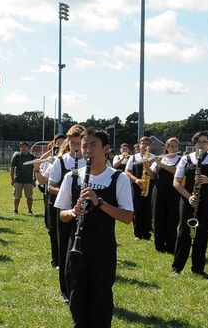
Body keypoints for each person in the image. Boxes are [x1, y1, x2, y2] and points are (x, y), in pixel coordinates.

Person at [56, 128, 133, 328]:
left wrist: (100, 203)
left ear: (106, 149)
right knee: (77, 298)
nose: (88, 150)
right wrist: (73, 212)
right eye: (84, 146)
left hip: (103, 248)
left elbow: (127, 217)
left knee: (101, 299)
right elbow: (61, 215)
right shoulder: (72, 177)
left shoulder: (118, 178)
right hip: (77, 247)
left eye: (93, 145)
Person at [45, 124, 86, 303]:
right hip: (63, 209)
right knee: (64, 248)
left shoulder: (89, 161)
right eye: (73, 142)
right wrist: (66, 189)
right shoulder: (61, 161)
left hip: (84, 211)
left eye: (79, 142)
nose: (76, 146)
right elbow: (50, 186)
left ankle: (82, 285)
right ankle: (65, 289)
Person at [172, 131, 208, 276]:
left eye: (205, 141)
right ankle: (177, 267)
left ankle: (198, 269)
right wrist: (189, 196)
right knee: (183, 233)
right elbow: (176, 182)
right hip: (188, 201)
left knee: (202, 234)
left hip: (207, 202)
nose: (202, 144)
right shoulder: (186, 159)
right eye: (199, 141)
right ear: (194, 144)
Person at [34, 133, 66, 269]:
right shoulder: (51, 159)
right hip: (53, 197)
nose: (60, 146)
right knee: (53, 229)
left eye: (63, 143)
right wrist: (36, 169)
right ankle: (56, 259)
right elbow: (43, 180)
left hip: (70, 199)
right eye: (57, 143)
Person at [151, 137, 181, 253]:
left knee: (172, 218)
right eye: (171, 146)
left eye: (176, 146)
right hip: (159, 192)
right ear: (167, 148)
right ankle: (159, 245)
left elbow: (176, 171)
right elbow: (153, 176)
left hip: (174, 192)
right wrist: (147, 165)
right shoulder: (160, 159)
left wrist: (160, 164)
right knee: (158, 217)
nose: (174, 148)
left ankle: (171, 244)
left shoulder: (181, 159)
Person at [125, 136, 157, 240]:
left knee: (148, 209)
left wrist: (147, 165)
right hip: (136, 185)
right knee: (137, 209)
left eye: (147, 143)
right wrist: (136, 180)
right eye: (143, 143)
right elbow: (127, 172)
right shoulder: (133, 157)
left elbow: (153, 176)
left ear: (150, 146)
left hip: (149, 186)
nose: (145, 145)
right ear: (139, 145)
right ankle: (137, 233)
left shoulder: (153, 158)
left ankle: (147, 233)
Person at [10, 142, 36, 215]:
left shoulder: (32, 156)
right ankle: (15, 210)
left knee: (29, 197)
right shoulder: (17, 156)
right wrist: (12, 179)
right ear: (20, 148)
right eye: (21, 147)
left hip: (28, 180)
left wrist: (35, 179)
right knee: (17, 197)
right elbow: (12, 168)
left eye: (25, 146)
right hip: (18, 180)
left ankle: (30, 211)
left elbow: (35, 168)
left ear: (28, 148)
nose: (23, 148)